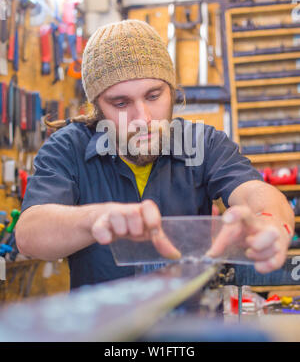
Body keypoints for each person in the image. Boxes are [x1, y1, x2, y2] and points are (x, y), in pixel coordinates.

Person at [15, 20, 295, 290]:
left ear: (172, 92)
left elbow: (254, 190)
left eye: (153, 96)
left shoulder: (204, 142)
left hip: (187, 326)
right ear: (97, 107)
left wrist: (269, 222)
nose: (144, 118)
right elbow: (30, 234)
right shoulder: (68, 148)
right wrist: (96, 218)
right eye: (121, 103)